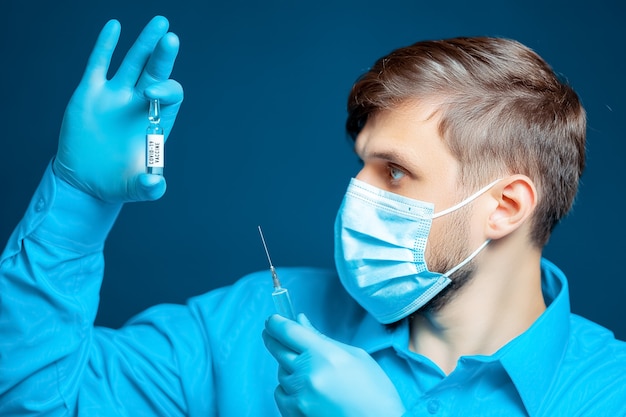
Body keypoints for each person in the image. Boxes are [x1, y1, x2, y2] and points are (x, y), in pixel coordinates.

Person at [0, 14, 624, 417]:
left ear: (505, 208)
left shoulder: (605, 393)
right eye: (361, 166)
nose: (357, 194)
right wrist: (78, 199)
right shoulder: (253, 325)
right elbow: (31, 399)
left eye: (395, 172)